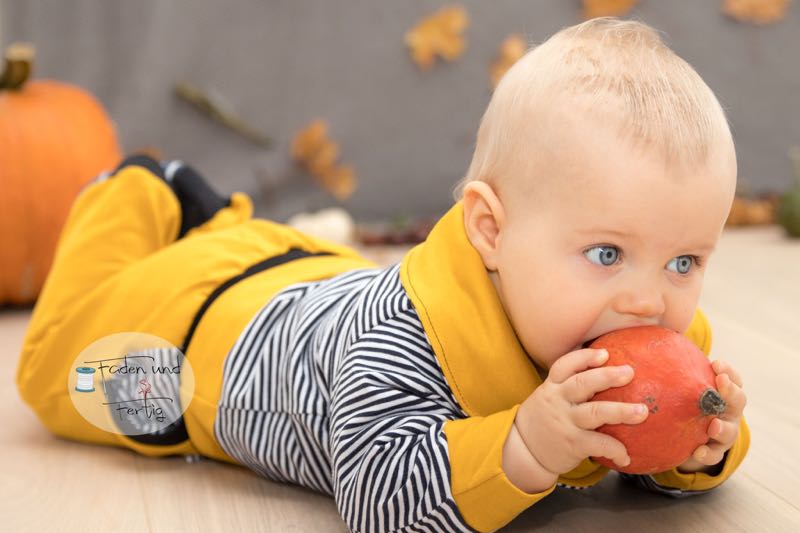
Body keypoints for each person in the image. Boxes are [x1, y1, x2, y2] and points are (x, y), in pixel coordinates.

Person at [16, 16, 749, 533]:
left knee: (271, 256)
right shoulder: (396, 344)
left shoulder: (647, 323)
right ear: (491, 231)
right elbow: (377, 497)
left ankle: (208, 219)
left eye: (684, 261)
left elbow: (649, 449)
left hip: (316, 281)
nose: (648, 299)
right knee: (65, 371)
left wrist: (699, 446)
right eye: (606, 254)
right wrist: (524, 446)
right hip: (205, 337)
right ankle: (141, 190)